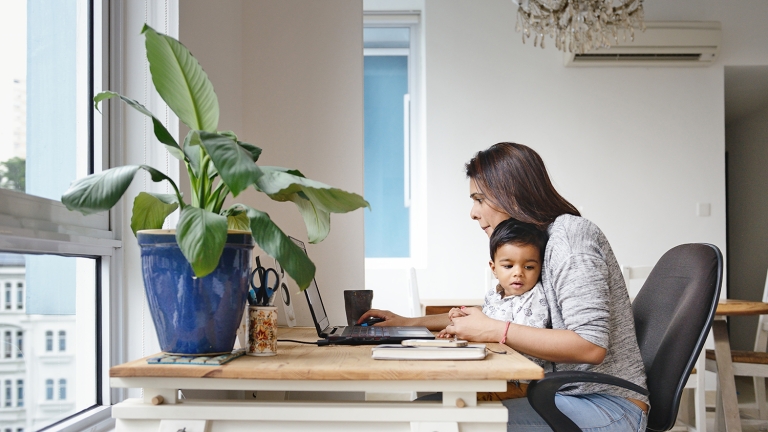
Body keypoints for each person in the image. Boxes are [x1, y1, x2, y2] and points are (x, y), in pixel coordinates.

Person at [358, 142, 649, 431]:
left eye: (479, 199)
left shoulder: (570, 240)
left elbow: (590, 345)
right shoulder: (537, 242)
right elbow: (492, 314)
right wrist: (409, 322)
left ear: (510, 194)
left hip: (606, 406)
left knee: (433, 420)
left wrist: (496, 330)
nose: (473, 212)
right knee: (428, 408)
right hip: (562, 396)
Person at [442, 218, 552, 401]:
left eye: (529, 267)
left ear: (540, 268)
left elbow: (528, 341)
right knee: (450, 389)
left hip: (521, 383)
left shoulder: (535, 298)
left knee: (463, 399)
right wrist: (458, 323)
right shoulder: (494, 296)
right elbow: (481, 327)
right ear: (494, 268)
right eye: (508, 266)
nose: (518, 272)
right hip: (493, 373)